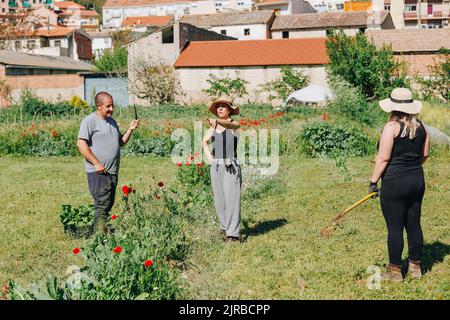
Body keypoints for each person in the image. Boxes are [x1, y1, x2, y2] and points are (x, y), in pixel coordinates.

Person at [369, 88, 430, 282]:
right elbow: (425, 154)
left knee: (395, 227)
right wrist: (411, 168)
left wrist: (373, 182)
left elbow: (384, 157)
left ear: (392, 108)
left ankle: (395, 272)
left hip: (395, 183)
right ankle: (415, 268)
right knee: (414, 224)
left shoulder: (391, 128)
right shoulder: (421, 127)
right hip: (416, 181)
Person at [77, 92, 140, 235]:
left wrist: (130, 129)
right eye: (108, 106)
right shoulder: (90, 121)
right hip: (98, 171)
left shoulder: (112, 121)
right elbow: (81, 144)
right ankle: (98, 236)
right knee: (102, 203)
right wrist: (96, 163)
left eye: (112, 105)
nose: (112, 109)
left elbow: (120, 142)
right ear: (98, 106)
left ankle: (100, 231)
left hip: (112, 171)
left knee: (107, 204)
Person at [202, 96, 242, 244]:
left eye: (223, 106)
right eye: (217, 106)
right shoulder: (213, 127)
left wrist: (217, 121)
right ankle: (225, 228)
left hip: (230, 164)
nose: (219, 108)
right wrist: (210, 159)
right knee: (220, 200)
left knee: (232, 199)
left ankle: (233, 235)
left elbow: (233, 126)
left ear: (229, 110)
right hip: (216, 165)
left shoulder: (234, 125)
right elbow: (204, 142)